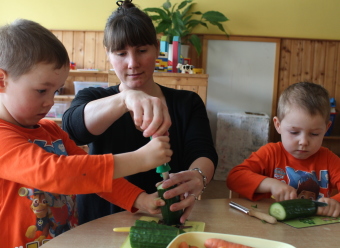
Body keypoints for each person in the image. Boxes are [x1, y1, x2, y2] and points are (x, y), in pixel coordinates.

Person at [0, 19, 173, 248]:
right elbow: (57, 174)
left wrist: (139, 199)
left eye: (56, 91)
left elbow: (90, 175)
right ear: (2, 80)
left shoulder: (52, 131)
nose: (49, 102)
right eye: (41, 90)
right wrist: (140, 159)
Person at [62, 0, 218, 224]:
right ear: (108, 54)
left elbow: (203, 152)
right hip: (101, 222)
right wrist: (125, 98)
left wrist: (198, 177)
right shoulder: (93, 98)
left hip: (169, 219)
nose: (132, 63)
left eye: (142, 51)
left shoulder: (188, 102)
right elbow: (73, 129)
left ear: (156, 48)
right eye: (121, 53)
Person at [227, 82, 340, 218]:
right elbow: (234, 178)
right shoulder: (270, 153)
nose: (303, 141)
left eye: (314, 134)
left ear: (326, 129)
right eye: (294, 132)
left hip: (314, 231)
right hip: (271, 227)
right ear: (278, 125)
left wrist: (335, 202)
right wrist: (270, 184)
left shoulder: (329, 160)